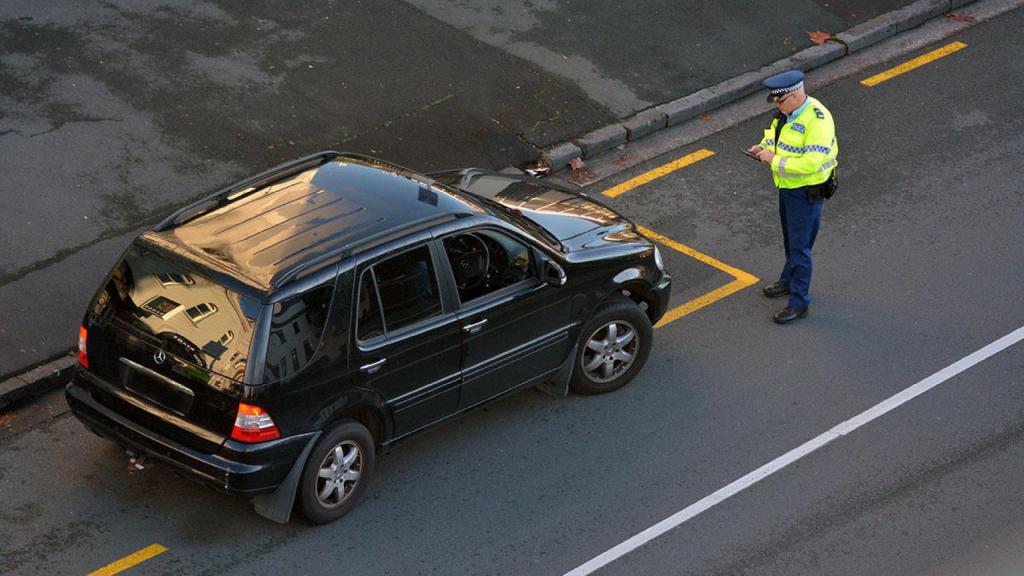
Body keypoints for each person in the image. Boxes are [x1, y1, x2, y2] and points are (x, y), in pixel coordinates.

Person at [747, 70, 838, 324]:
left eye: (781, 100)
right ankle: (787, 281)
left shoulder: (818, 121)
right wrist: (763, 148)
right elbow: (774, 135)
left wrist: (774, 160)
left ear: (796, 95)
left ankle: (799, 302)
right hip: (789, 188)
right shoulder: (787, 112)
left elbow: (812, 163)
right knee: (791, 241)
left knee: (800, 249)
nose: (777, 105)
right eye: (775, 101)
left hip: (806, 193)